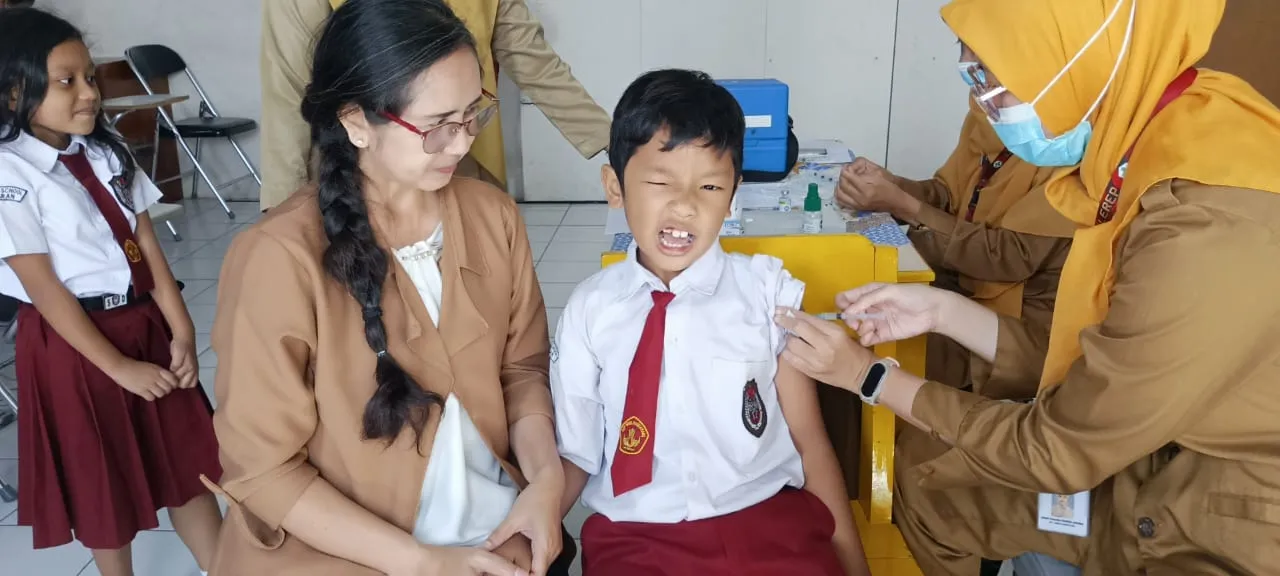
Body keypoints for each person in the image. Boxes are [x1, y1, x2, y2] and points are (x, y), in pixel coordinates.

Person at [774, 0, 1280, 573]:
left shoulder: (1204, 228)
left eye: (996, 80)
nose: (987, 104)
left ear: (1073, 59)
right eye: (973, 77)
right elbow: (1106, 365)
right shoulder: (1152, 132)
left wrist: (869, 377)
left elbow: (1061, 448)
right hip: (1143, 458)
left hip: (1221, 520)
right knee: (932, 479)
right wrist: (941, 310)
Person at [206, 1, 570, 575]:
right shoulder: (277, 259)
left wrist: (545, 480)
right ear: (356, 122)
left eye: (473, 114)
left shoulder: (492, 216)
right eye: (437, 125)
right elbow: (265, 470)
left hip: (493, 530)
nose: (461, 144)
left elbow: (521, 371)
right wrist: (423, 563)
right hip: (348, 554)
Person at [553, 69, 869, 576]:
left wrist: (854, 565)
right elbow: (577, 454)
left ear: (733, 193)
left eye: (710, 186)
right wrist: (536, 519)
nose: (685, 205)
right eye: (660, 182)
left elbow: (809, 439)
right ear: (615, 186)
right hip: (637, 533)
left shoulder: (766, 294)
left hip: (769, 520)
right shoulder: (589, 311)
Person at [0, 8, 222, 576]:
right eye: (66, 82)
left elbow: (145, 241)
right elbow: (45, 291)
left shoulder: (104, 149)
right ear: (14, 93)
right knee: (105, 479)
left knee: (186, 465)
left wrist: (182, 328)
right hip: (73, 344)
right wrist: (119, 367)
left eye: (90, 77)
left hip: (142, 322)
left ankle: (223, 566)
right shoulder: (10, 174)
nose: (89, 94)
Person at [259, 0, 612, 210]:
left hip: (460, 169)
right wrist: (284, 209)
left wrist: (618, 141)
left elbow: (533, 61)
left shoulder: (485, 204)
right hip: (355, 179)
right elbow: (287, 93)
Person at [836, 100, 1074, 400]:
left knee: (854, 347)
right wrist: (891, 185)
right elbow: (948, 195)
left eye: (991, 80)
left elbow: (1007, 257)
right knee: (845, 313)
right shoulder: (989, 118)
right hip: (953, 285)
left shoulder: (1068, 145)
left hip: (1009, 329)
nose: (983, 94)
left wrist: (902, 204)